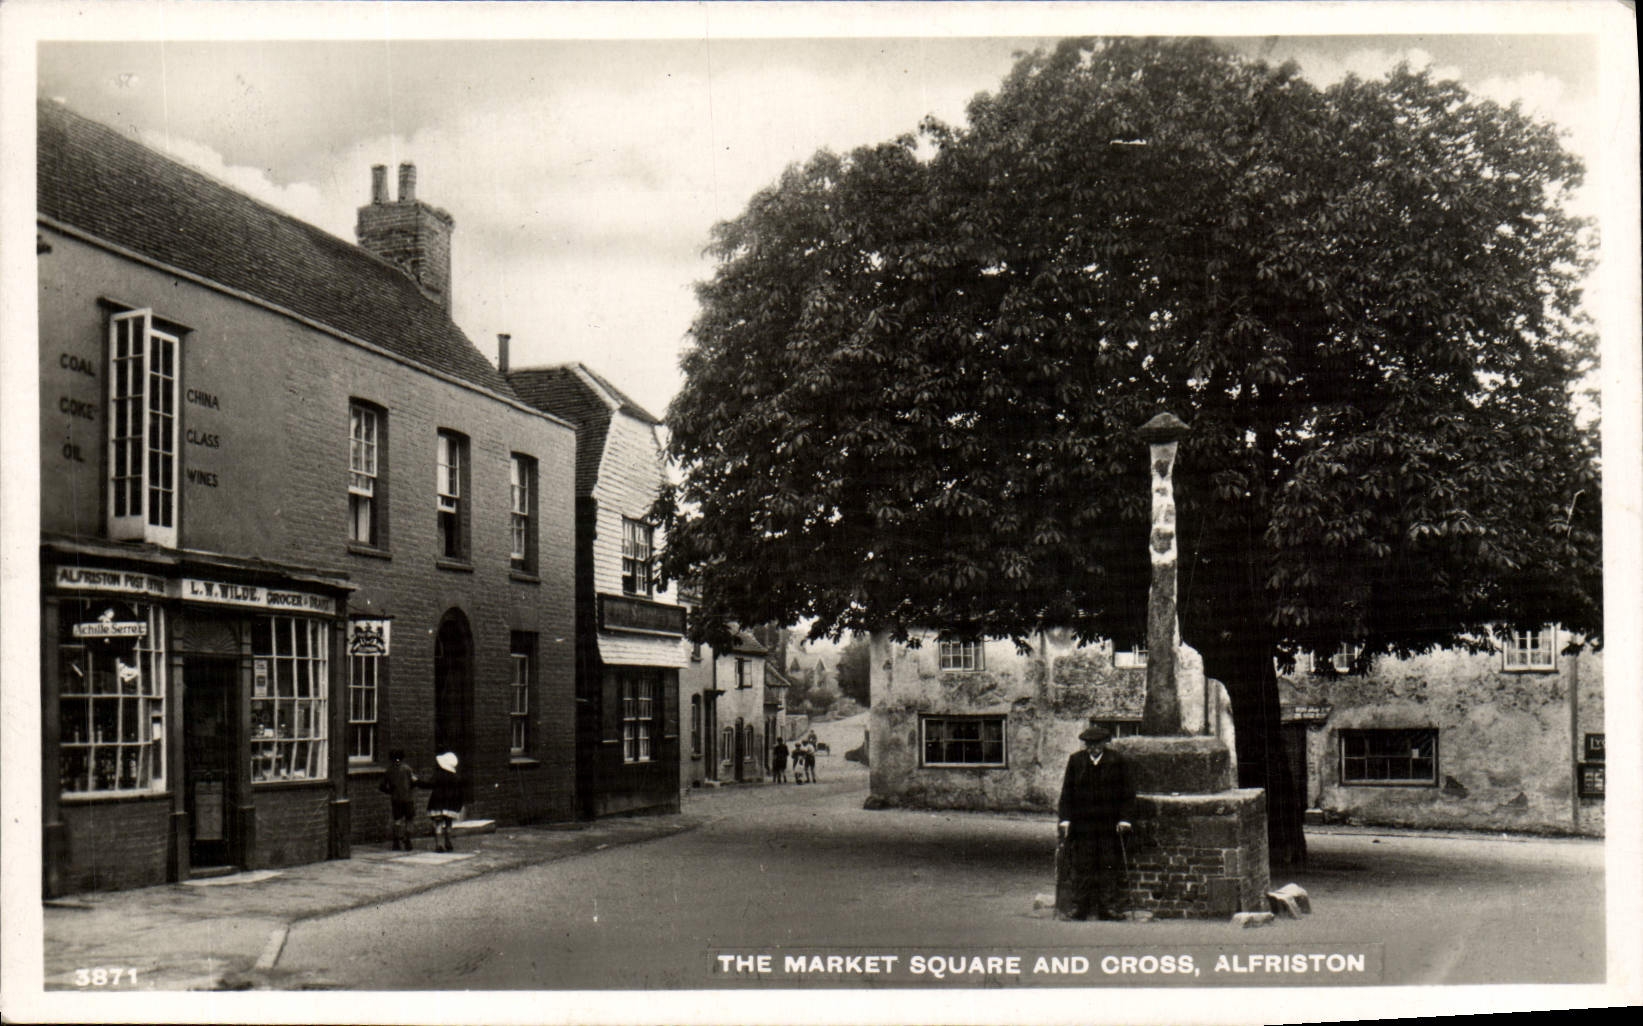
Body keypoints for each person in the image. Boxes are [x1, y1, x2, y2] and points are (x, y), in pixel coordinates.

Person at [1055, 724, 1135, 921]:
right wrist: (1065, 819)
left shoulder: (1117, 760)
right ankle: (1079, 909)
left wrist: (1125, 819)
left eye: (1097, 743)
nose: (1093, 748)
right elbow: (1067, 793)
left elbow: (1127, 793)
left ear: (1104, 743)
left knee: (1108, 865)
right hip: (1083, 824)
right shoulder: (1076, 761)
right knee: (1083, 866)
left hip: (1109, 824)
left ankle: (1108, 909)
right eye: (1089, 744)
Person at [417, 751, 464, 852]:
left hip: (438, 802)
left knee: (438, 823)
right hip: (451, 804)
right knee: (448, 823)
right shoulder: (456, 777)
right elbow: (461, 793)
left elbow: (429, 785)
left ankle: (439, 845)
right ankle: (448, 842)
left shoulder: (438, 775)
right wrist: (459, 805)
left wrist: (417, 782)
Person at [377, 748, 418, 851]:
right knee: (409, 819)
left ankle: (396, 842)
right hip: (408, 798)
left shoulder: (389, 770)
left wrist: (390, 791)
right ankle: (407, 839)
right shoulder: (407, 769)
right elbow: (414, 781)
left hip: (396, 799)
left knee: (397, 820)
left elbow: (382, 786)